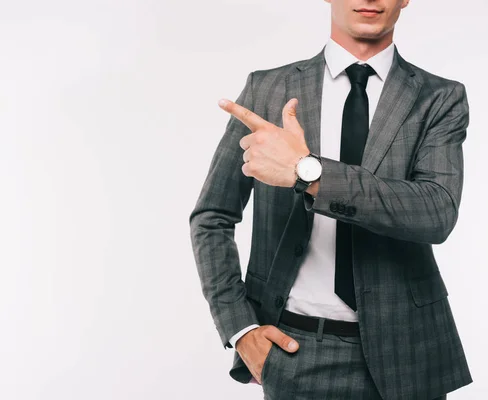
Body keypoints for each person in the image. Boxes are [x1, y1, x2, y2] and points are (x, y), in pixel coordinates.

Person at [188, 0, 473, 399]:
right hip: (293, 352)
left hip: (410, 350)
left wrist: (310, 171)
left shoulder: (439, 98)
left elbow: (436, 212)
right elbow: (212, 217)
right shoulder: (268, 89)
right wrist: (240, 328)